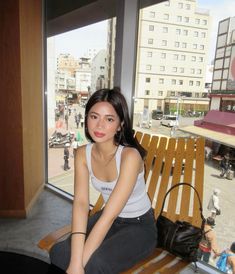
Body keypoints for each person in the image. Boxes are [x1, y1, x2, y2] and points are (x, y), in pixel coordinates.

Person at [50, 88, 157, 274]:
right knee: (60, 253)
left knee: (94, 264)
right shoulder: (83, 154)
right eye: (94, 117)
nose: (99, 126)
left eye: (109, 119)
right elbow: (81, 204)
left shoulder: (129, 157)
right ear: (87, 118)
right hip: (109, 219)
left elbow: (109, 215)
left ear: (120, 125)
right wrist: (75, 261)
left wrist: (78, 266)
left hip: (139, 226)